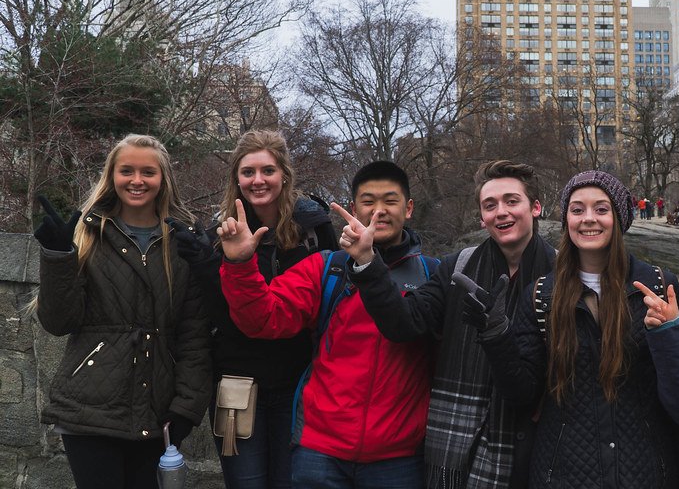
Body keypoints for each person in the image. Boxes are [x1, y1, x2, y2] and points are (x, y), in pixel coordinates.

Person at [469, 170, 679, 488]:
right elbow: (522, 395)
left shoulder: (658, 287)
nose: (588, 219)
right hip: (563, 474)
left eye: (601, 209)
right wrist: (495, 334)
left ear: (619, 218)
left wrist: (670, 332)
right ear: (567, 220)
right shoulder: (540, 296)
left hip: (646, 473)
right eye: (577, 210)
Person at [217, 160, 438, 488]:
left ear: (408, 209)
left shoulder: (433, 274)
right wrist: (239, 264)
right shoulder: (327, 269)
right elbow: (263, 319)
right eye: (368, 201)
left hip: (399, 458)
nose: (379, 211)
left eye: (390, 201)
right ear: (352, 208)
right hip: (320, 453)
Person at [339, 160, 556, 489]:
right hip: (454, 438)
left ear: (535, 207)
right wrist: (368, 263)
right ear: (482, 217)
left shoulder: (561, 273)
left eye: (512, 201)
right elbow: (405, 324)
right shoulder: (459, 268)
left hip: (533, 442)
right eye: (490, 205)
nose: (502, 212)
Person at [31, 134, 211, 489]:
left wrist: (187, 407)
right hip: (90, 410)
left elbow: (195, 334)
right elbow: (58, 322)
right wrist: (58, 257)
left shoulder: (183, 242)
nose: (137, 180)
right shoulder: (87, 234)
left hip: (155, 410)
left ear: (163, 179)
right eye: (126, 170)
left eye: (148, 172)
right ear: (112, 175)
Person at [170, 130, 338, 489]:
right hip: (238, 382)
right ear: (236, 179)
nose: (258, 180)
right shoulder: (222, 232)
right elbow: (221, 316)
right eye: (248, 172)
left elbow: (330, 296)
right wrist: (206, 262)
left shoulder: (313, 226)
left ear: (284, 174)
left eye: (267, 170)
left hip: (298, 380)